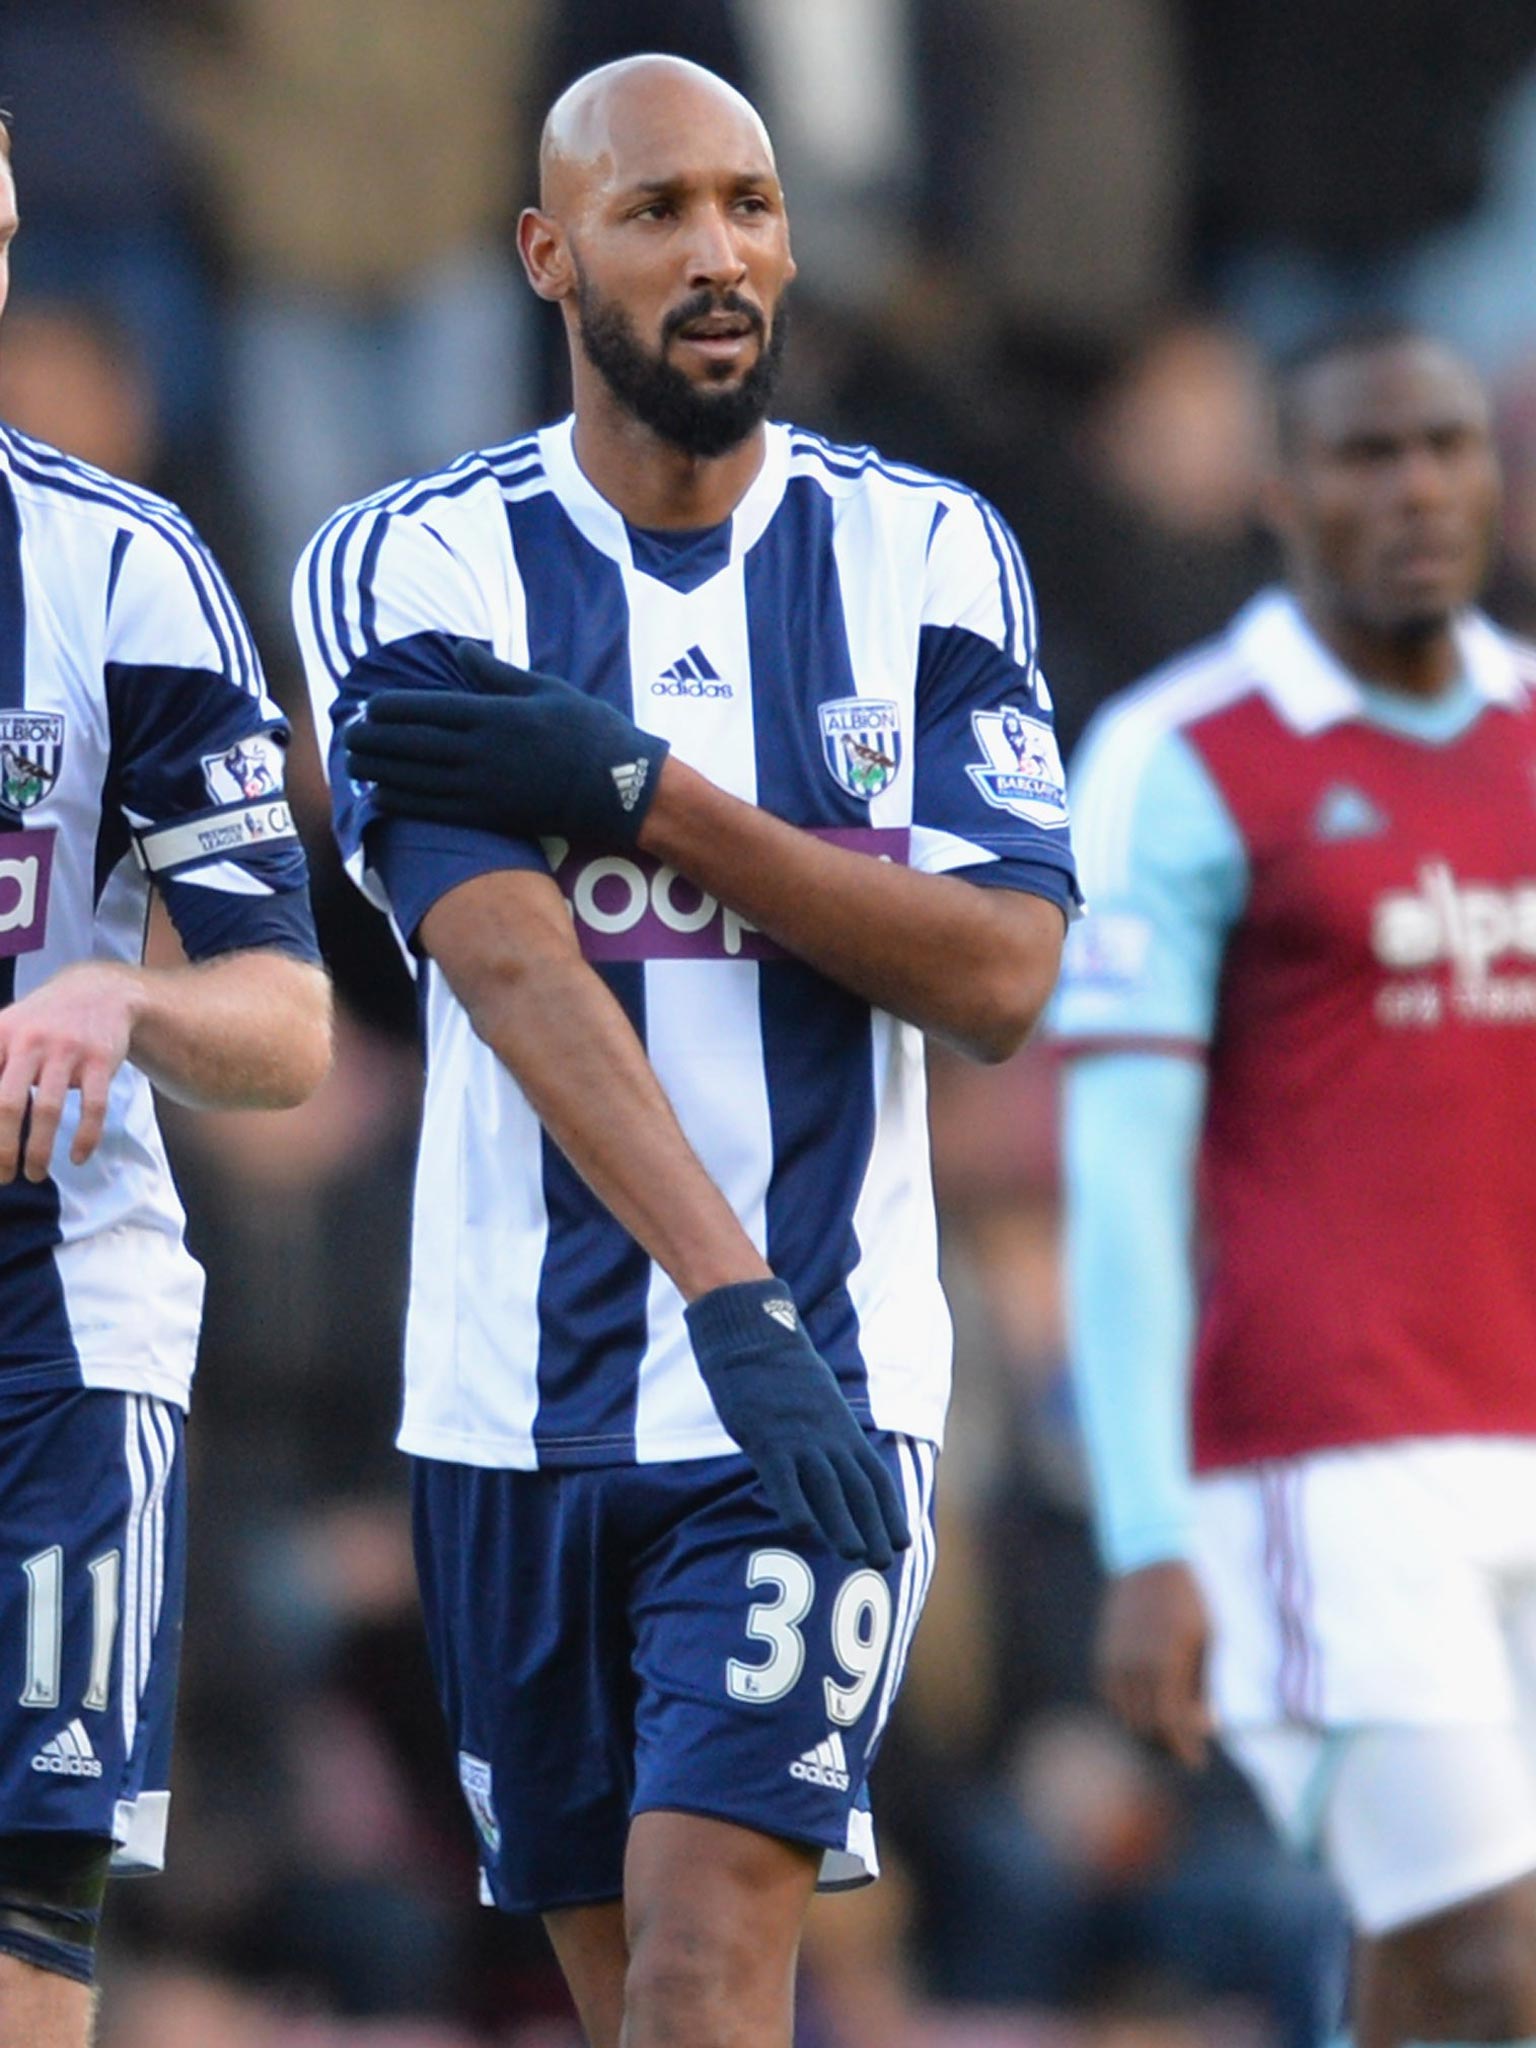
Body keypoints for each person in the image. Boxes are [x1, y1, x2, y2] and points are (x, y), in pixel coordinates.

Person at [295, 54, 1074, 2048]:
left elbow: (995, 975)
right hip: (515, 1405)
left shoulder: (929, 556)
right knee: (625, 1994)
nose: (715, 252)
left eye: (747, 202)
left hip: (816, 1394)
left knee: (713, 1971)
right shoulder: (411, 564)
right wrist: (712, 1279)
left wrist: (656, 795)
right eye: (655, 213)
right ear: (551, 256)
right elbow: (505, 956)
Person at [1057, 320, 1536, 2048]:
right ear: (1278, 490)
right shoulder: (1186, 759)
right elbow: (1119, 1179)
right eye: (1363, 455)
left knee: (1439, 1989)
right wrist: (1143, 1534)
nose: (1415, 489)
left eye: (1444, 446)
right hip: (1324, 1481)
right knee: (1495, 1964)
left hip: (1521, 1439)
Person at [0, 124, 332, 2048]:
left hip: (54, 1321)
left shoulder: (119, 569)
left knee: (27, 1915)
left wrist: (124, 1002)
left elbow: (287, 1026)